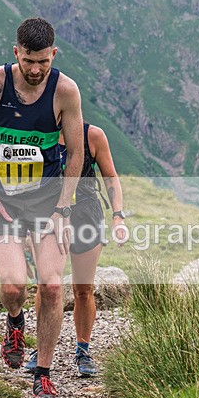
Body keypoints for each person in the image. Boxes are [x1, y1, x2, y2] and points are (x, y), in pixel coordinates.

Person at [0, 17, 84, 398]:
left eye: (43, 63)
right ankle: (15, 322)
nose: (35, 70)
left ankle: (43, 374)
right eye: (29, 61)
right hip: (6, 203)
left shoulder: (65, 92)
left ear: (54, 55)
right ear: (16, 52)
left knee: (51, 287)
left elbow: (77, 152)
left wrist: (64, 209)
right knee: (13, 286)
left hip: (49, 204)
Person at [26, 122, 128, 377]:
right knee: (47, 285)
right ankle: (40, 350)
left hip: (86, 215)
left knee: (84, 289)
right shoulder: (36, 132)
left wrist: (118, 216)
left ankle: (83, 349)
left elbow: (110, 176)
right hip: (48, 216)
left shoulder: (92, 135)